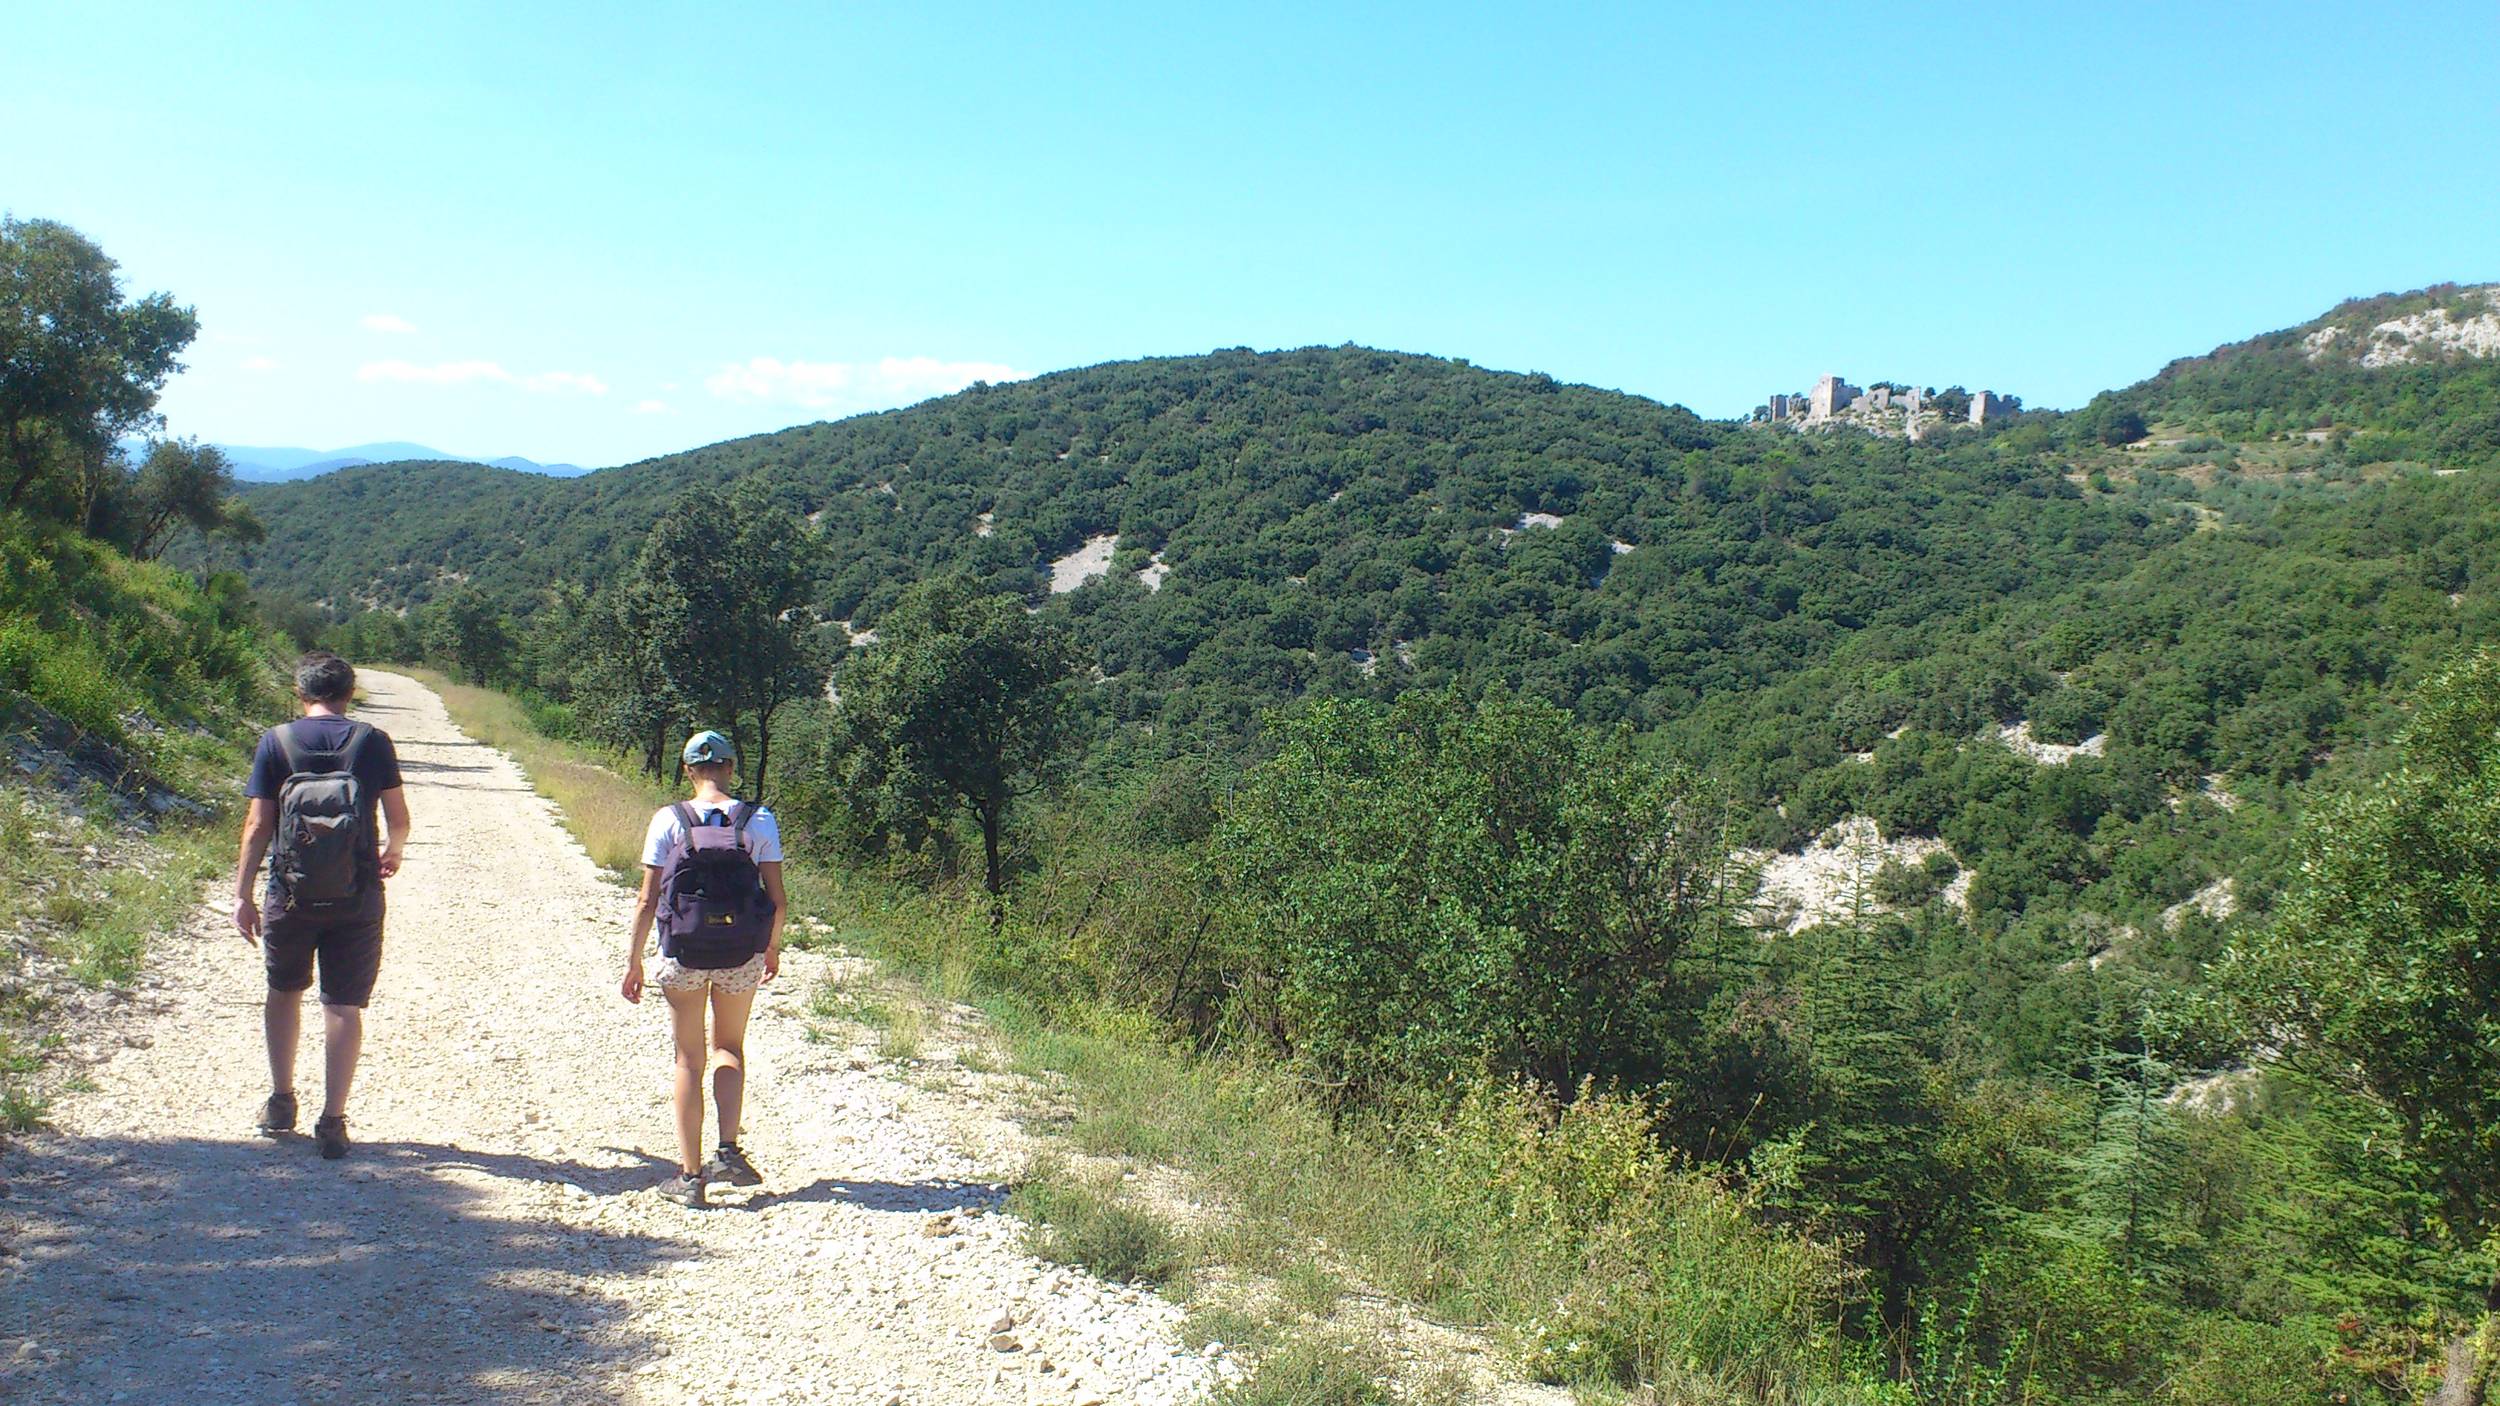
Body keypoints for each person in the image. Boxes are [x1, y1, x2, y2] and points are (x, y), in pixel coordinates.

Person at [233, 652, 410, 1160]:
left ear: (300, 693)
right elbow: (399, 818)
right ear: (349, 694)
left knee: (284, 991)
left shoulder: (277, 741)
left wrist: (242, 894)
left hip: (289, 894)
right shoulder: (372, 741)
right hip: (357, 894)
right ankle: (333, 1121)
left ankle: (281, 1101)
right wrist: (392, 852)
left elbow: (258, 825)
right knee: (342, 1006)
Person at [621, 730, 787, 1206]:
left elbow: (647, 899)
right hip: (740, 953)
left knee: (688, 1060)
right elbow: (778, 899)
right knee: (729, 1047)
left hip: (683, 952)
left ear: (688, 770)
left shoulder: (669, 820)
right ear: (731, 768)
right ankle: (728, 1152)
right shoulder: (758, 820)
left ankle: (691, 1178)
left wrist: (634, 961)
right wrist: (770, 948)